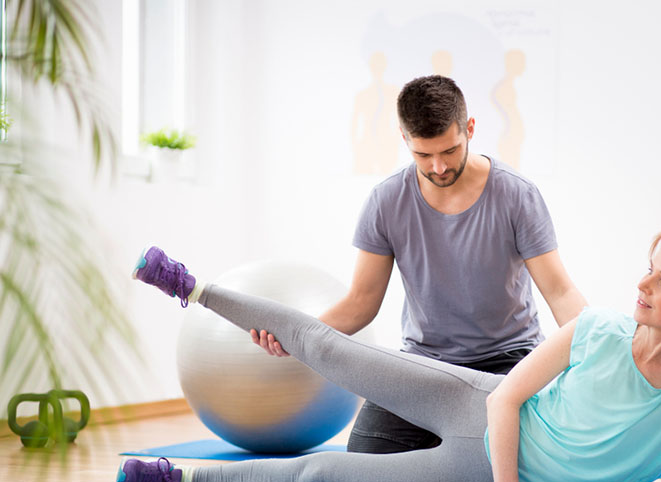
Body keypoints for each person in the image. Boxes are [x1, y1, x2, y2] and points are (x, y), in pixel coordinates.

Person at [119, 225, 661, 482]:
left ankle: (177, 476)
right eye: (647, 269)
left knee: (323, 475)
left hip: (472, 477)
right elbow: (507, 402)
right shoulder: (598, 328)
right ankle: (189, 286)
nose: (642, 284)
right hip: (481, 408)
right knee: (330, 348)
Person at [251, 75, 588, 454]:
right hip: (424, 364)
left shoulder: (517, 195)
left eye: (450, 151)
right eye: (423, 155)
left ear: (470, 129)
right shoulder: (386, 201)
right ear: (404, 139)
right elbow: (361, 302)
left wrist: (597, 346)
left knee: (509, 458)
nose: (439, 167)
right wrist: (298, 337)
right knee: (367, 454)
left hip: (508, 361)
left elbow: (559, 291)